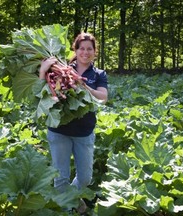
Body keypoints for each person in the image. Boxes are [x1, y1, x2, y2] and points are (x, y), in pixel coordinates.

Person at [39, 32, 108, 213]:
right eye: (82, 48)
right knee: (60, 177)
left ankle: (71, 199)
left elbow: (103, 97)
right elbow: (41, 91)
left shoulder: (99, 74)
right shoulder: (61, 68)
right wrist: (42, 70)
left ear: (94, 52)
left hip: (84, 132)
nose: (85, 52)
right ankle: (70, 208)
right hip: (59, 130)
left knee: (85, 178)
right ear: (75, 50)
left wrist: (85, 86)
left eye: (89, 49)